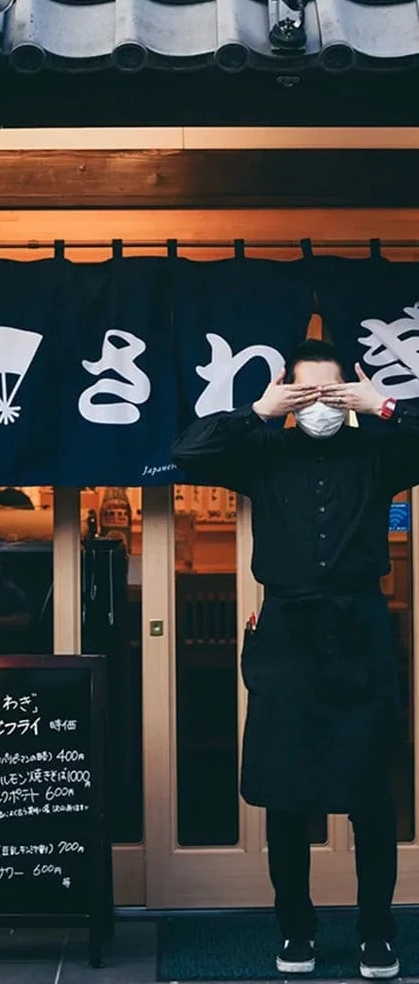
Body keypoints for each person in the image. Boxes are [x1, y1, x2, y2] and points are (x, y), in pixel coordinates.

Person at [172, 338, 419, 980]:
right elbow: (187, 451)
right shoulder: (262, 452)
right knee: (285, 792)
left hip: (360, 631)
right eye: (304, 393)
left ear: (350, 394)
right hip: (285, 633)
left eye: (330, 394)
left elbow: (398, 424)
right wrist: (258, 410)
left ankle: (376, 933)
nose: (317, 406)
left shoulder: (377, 449)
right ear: (287, 394)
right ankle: (296, 930)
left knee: (370, 793)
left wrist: (384, 405)